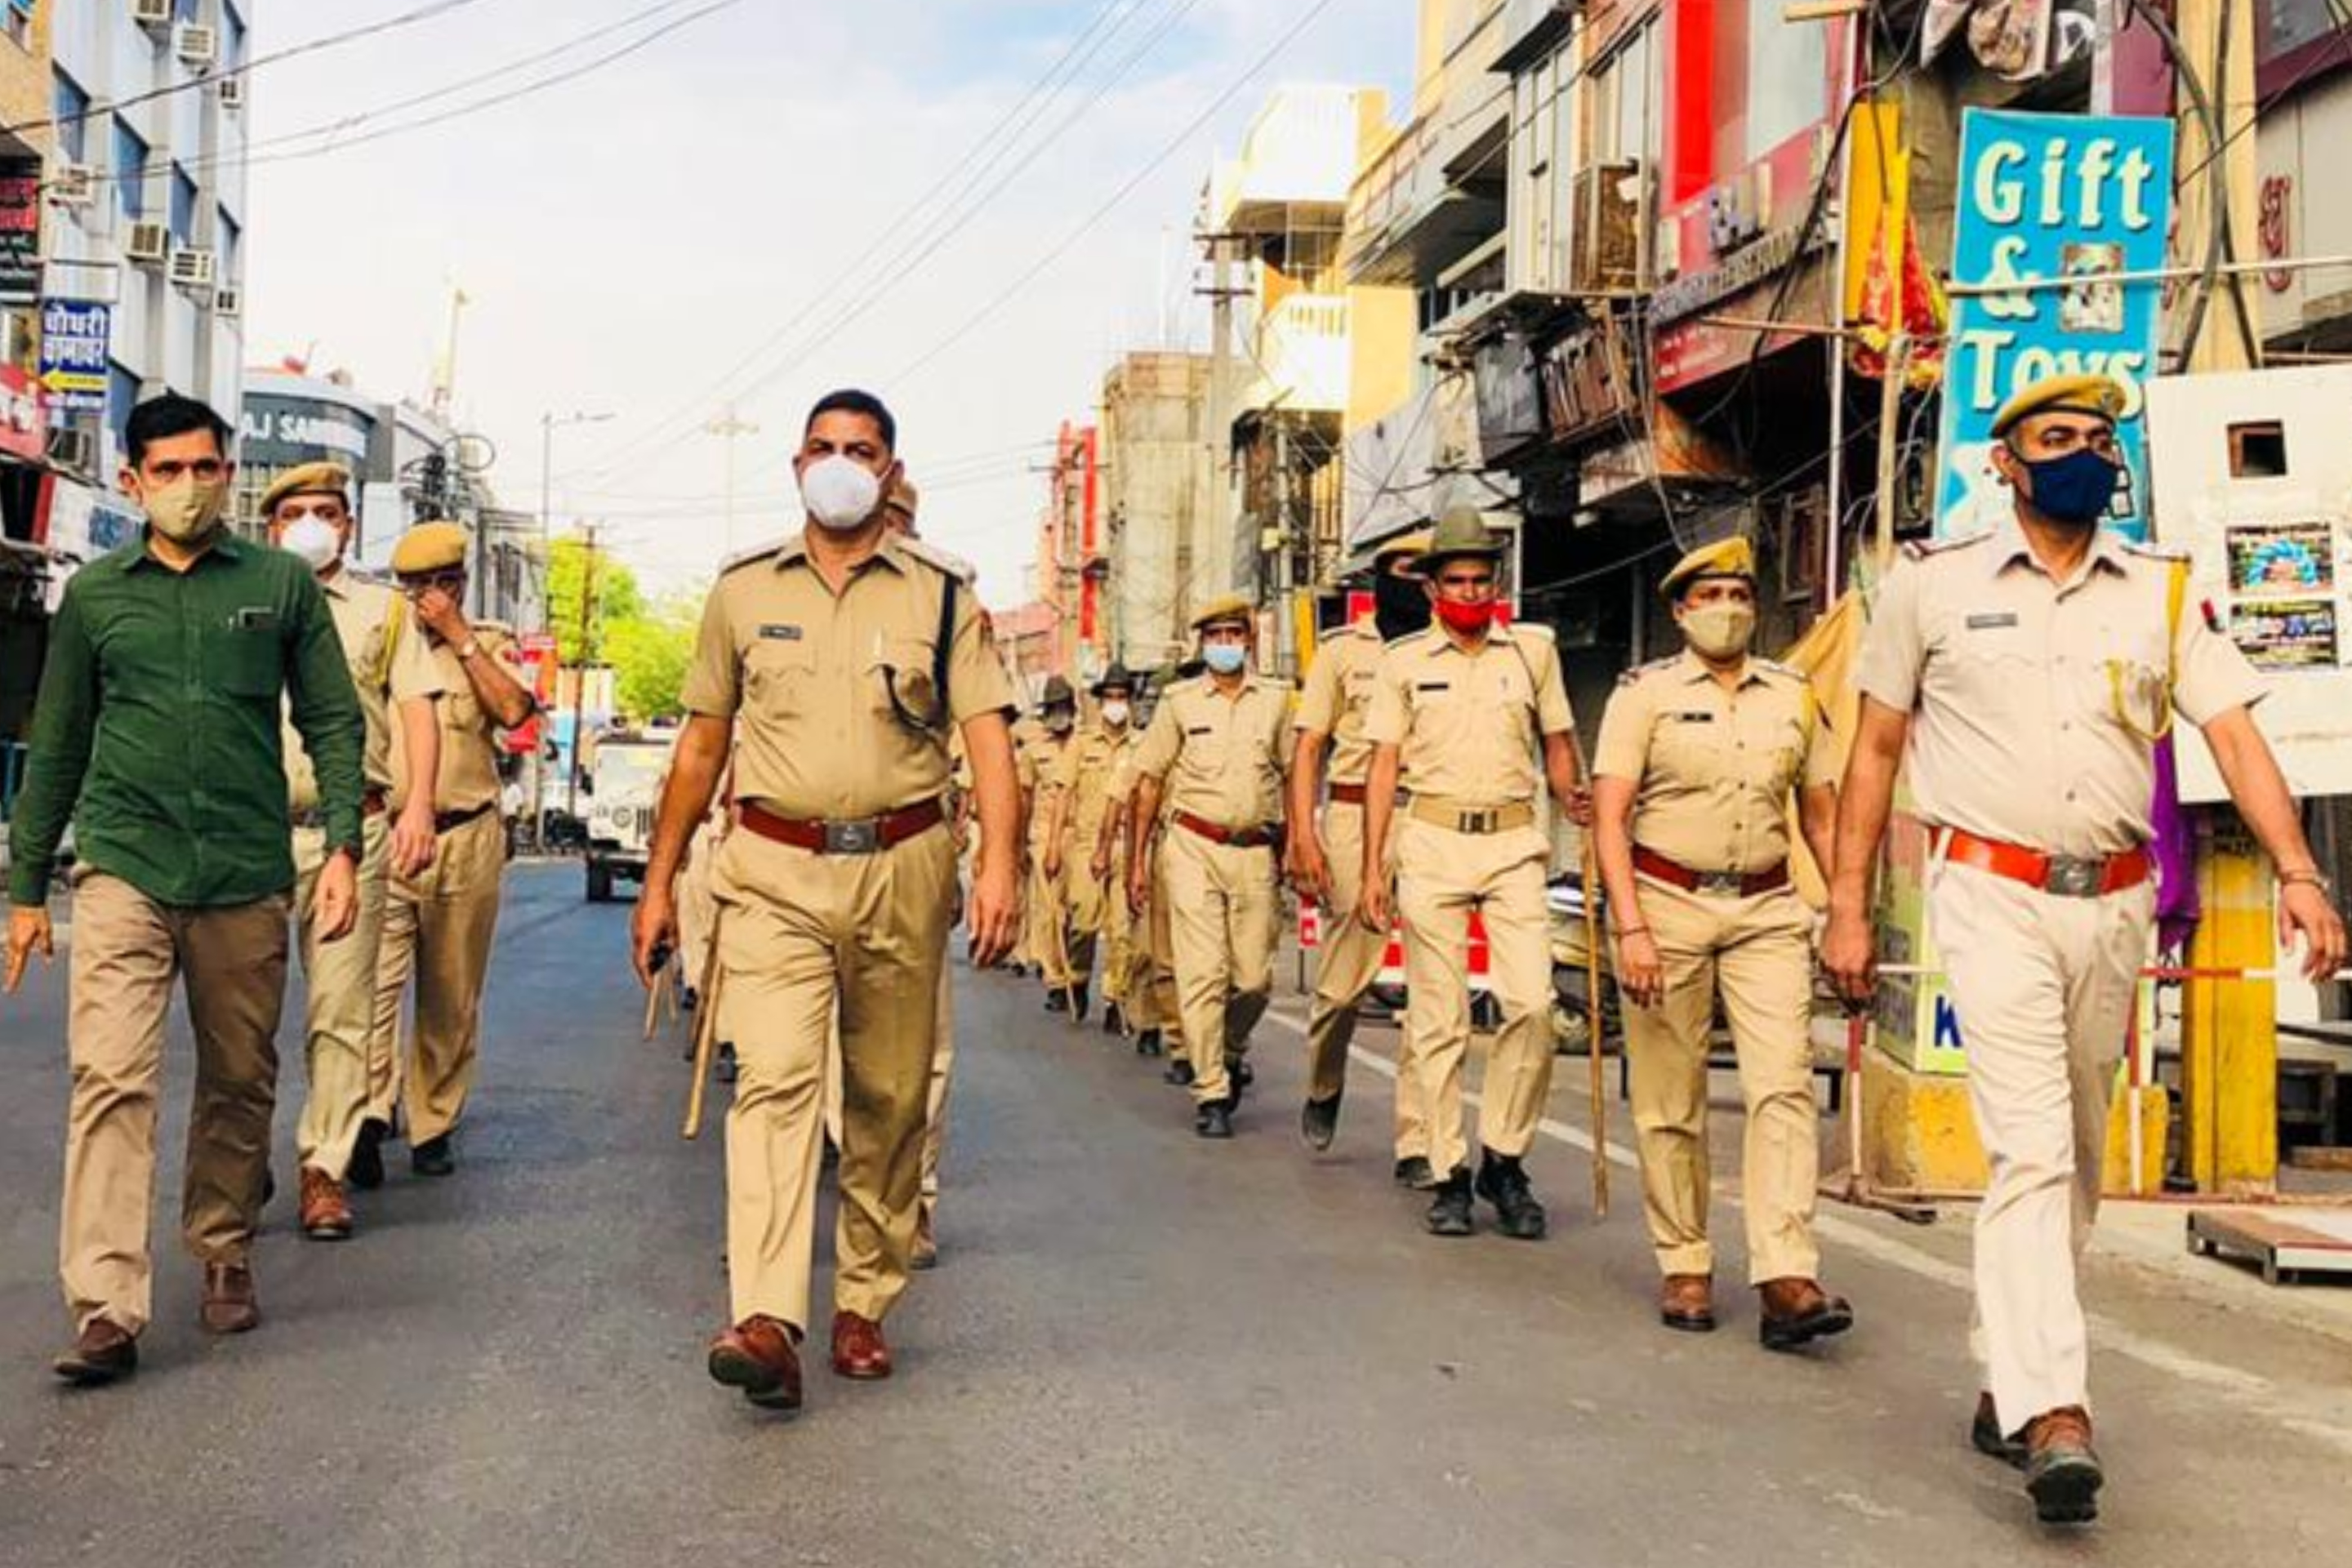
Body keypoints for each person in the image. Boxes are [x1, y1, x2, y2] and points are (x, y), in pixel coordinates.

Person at [1823, 372, 2346, 1526]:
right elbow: (1870, 757)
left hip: (2112, 903)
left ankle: (2005, 1368)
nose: (2082, 454)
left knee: (2080, 1152)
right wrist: (1848, 905)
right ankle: (2056, 1407)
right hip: (1989, 891)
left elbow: (2235, 738)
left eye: (2098, 440)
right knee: (2031, 1151)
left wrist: (2300, 873)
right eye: (2055, 438)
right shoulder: (1934, 589)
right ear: (2005, 463)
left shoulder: (2159, 594)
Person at [632, 389, 1019, 1413]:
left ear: (890, 473)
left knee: (888, 1099)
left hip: (903, 863)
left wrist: (1001, 868)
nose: (841, 464)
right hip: (774, 871)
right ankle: (765, 1316)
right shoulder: (740, 591)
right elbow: (701, 746)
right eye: (823, 448)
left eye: (862, 450)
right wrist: (661, 880)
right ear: (795, 466)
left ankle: (863, 1295)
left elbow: (986, 739)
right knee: (774, 1082)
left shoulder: (942, 596)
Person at [3, 394, 366, 1383]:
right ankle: (107, 1304)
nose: (190, 488)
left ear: (228, 474)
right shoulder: (97, 597)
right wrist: (27, 888)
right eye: (167, 471)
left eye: (206, 468)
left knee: (239, 1073)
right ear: (132, 482)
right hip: (125, 865)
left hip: (245, 872)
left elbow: (334, 722)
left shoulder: (281, 586)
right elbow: (60, 739)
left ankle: (220, 1242)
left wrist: (342, 848)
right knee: (110, 1077)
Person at [1593, 535, 1850, 1346]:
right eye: (1710, 597)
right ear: (1680, 610)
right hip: (1665, 903)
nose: (1728, 610)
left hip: (1768, 909)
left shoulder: (1793, 693)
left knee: (1783, 1084)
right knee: (1672, 1096)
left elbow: (1820, 811)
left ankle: (1785, 1272)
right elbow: (1609, 817)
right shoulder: (1645, 694)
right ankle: (1686, 1259)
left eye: (1740, 595)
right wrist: (1629, 925)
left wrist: (1846, 906)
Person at [1361, 509, 1590, 1240]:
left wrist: (1574, 796)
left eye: (1480, 580)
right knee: (1439, 1018)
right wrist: (1373, 866)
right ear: (1432, 589)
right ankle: (1450, 1171)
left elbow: (1557, 740)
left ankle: (1506, 1158)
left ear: (1498, 584)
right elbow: (1382, 767)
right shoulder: (1402, 664)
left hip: (1515, 842)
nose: (1468, 592)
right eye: (1455, 580)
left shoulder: (1532, 651)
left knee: (1529, 1005)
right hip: (1431, 840)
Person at [264, 461, 445, 1237]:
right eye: (295, 512)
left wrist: (421, 807)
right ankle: (239, 1163)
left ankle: (323, 1167)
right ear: (271, 528)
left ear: (347, 524)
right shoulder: (244, 598)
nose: (311, 524)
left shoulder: (385, 610)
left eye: (327, 512)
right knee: (240, 1016)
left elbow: (416, 710)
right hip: (254, 834)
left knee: (342, 1011)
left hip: (356, 831)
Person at [368, 522, 539, 1179]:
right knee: (371, 987)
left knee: (449, 991)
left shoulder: (488, 645)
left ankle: (433, 1118)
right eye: (416, 587)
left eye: (442, 584)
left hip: (465, 836)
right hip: (386, 834)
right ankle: (370, 1112)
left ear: (459, 585)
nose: (429, 599)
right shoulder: (380, 644)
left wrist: (464, 639)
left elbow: (517, 711)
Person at [1289, 532, 1436, 1183]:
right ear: (1378, 579)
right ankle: (1325, 1081)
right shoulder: (1342, 653)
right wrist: (1304, 833)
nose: (1417, 581)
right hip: (1351, 817)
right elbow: (1309, 746)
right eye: (1404, 570)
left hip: (1429, 818)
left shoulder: (1450, 651)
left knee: (1433, 988)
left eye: (1423, 571)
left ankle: (1418, 1139)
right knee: (1343, 984)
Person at [1127, 596, 1289, 1138]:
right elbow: (1148, 781)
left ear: (1249, 640)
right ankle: (1212, 1091)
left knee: (1253, 980)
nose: (1225, 644)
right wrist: (1134, 863)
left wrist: (1300, 849)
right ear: (1203, 644)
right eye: (1214, 635)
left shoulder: (1277, 701)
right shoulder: (1179, 703)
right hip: (1193, 845)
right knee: (1203, 975)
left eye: (1233, 634)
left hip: (1256, 850)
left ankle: (1230, 1046)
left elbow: (1295, 775)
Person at [1045, 665, 1137, 1029]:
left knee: (1123, 929)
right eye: (1110, 698)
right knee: (1082, 922)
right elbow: (1064, 794)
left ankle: (1117, 998)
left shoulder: (1141, 744)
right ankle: (1079, 977)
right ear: (1100, 703)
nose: (1116, 704)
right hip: (1085, 845)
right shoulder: (1082, 744)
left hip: (1125, 845)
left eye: (1122, 697)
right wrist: (1053, 846)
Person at [1022, 675, 1081, 1013]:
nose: (1060, 714)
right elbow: (1025, 797)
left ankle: (1079, 971)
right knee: (1050, 912)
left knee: (1080, 910)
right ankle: (1057, 979)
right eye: (1054, 708)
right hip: (1045, 833)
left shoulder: (1084, 744)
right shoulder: (1034, 750)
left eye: (1064, 707)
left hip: (1081, 832)